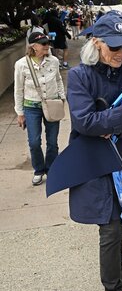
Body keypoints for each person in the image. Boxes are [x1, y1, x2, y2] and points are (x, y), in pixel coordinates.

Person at [66, 13, 122, 291]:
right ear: (96, 43)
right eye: (114, 47)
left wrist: (114, 126)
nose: (121, 53)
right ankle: (113, 285)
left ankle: (120, 262)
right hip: (94, 161)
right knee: (110, 226)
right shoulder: (80, 76)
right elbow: (84, 122)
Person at [14, 32, 66, 186]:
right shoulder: (21, 64)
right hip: (31, 107)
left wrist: (62, 98)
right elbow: (18, 90)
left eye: (47, 43)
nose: (47, 46)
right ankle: (38, 170)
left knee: (52, 141)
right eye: (43, 44)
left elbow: (58, 80)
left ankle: (51, 169)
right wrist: (20, 113)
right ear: (33, 46)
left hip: (52, 104)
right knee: (34, 142)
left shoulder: (54, 61)